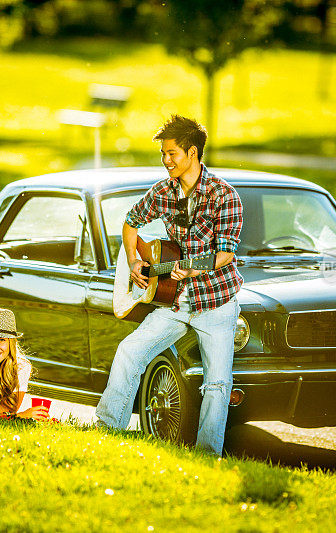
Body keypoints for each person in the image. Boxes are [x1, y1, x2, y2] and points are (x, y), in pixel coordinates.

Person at [95, 115, 243, 455]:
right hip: (176, 303)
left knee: (217, 384)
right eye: (163, 153)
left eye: (172, 153)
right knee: (130, 352)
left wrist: (188, 269)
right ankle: (106, 431)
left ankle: (208, 456)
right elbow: (130, 223)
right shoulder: (163, 191)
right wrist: (135, 261)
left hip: (217, 303)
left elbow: (224, 256)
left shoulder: (224, 196)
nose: (166, 160)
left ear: (193, 152)